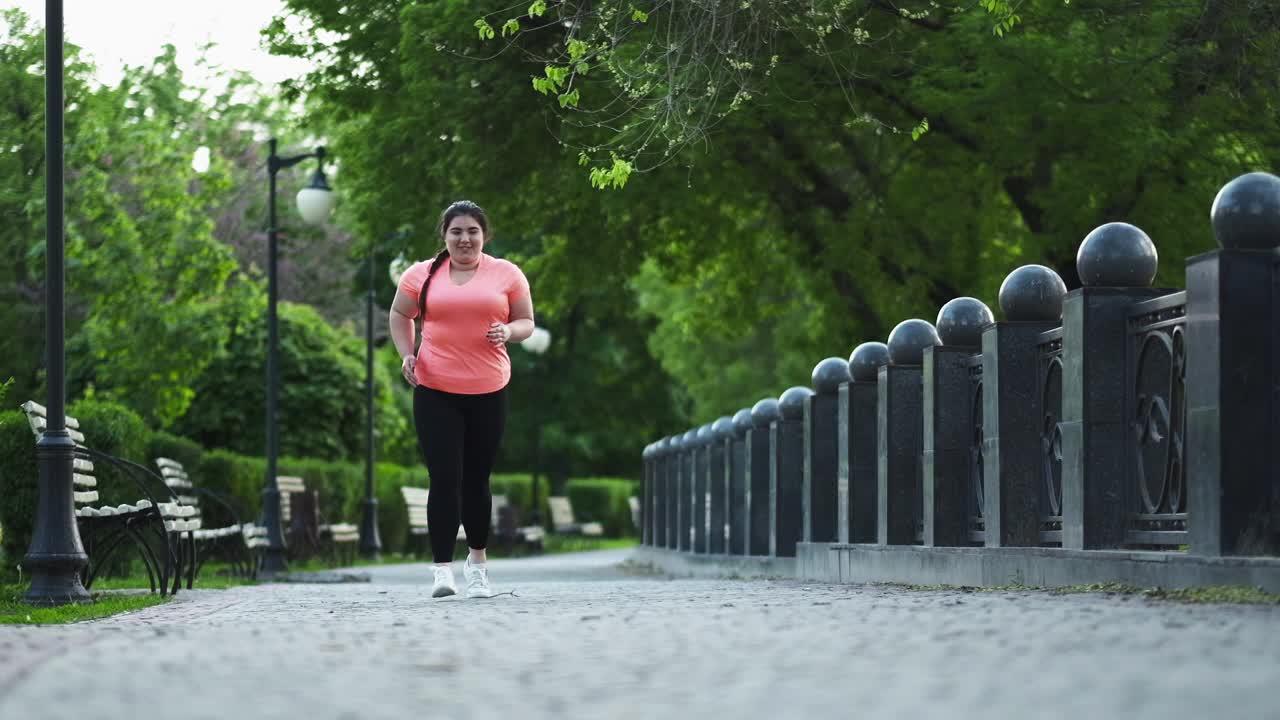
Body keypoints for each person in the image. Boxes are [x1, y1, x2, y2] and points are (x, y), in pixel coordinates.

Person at [388, 200, 534, 598]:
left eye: (472, 231)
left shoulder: (506, 273)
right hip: (435, 389)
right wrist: (408, 352)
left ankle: (478, 564)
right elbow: (400, 315)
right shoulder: (422, 274)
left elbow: (527, 321)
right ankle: (441, 570)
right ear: (444, 235)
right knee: (444, 478)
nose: (465, 238)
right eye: (456, 231)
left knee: (476, 481)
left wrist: (509, 331)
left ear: (484, 235)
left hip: (489, 388)